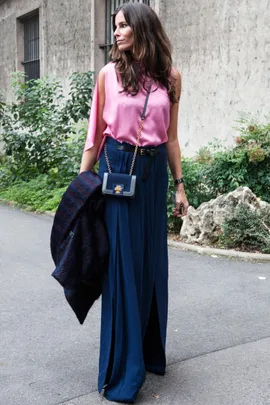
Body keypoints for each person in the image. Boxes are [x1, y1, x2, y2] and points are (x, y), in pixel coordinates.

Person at [80, 2, 189, 403]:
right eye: (115, 26)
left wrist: (180, 185)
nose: (117, 32)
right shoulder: (108, 74)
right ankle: (126, 370)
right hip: (118, 170)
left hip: (154, 172)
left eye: (124, 25)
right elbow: (96, 132)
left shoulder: (171, 78)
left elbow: (172, 137)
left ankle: (147, 350)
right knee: (123, 269)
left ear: (143, 28)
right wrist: (81, 181)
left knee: (149, 263)